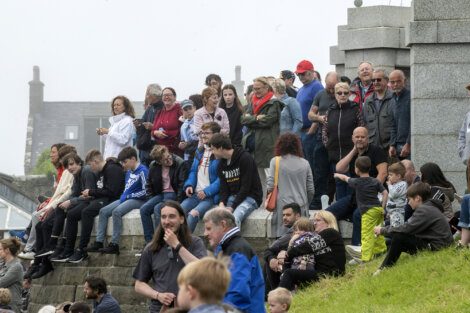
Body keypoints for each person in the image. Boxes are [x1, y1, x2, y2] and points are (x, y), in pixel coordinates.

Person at [52, 149, 125, 263]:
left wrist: (91, 192)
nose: (91, 168)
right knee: (71, 214)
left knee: (87, 212)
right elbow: (96, 190)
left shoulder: (111, 169)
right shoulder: (102, 170)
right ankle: (67, 249)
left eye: (91, 164)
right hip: (101, 198)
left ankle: (82, 249)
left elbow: (112, 192)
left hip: (112, 200)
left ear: (95, 161)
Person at [133, 201, 207, 313]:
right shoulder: (151, 248)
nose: (167, 221)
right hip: (160, 308)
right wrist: (158, 295)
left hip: (190, 308)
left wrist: (177, 246)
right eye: (163, 217)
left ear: (181, 219)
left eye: (171, 216)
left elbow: (203, 271)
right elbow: (138, 285)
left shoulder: (195, 243)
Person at [326, 126, 388, 248]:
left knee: (358, 215)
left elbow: (383, 173)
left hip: (373, 196)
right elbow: (339, 168)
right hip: (355, 196)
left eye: (362, 137)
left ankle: (357, 248)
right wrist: (354, 150)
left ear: (368, 138)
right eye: (357, 137)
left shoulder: (377, 151)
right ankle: (334, 246)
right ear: (352, 138)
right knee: (328, 214)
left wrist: (370, 190)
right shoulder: (352, 152)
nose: (360, 139)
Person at [373, 182, 454, 274]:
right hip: (438, 244)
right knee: (393, 241)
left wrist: (382, 230)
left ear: (417, 198)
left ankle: (383, 268)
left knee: (399, 237)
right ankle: (382, 264)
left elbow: (406, 228)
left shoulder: (424, 210)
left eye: (409, 199)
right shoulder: (429, 207)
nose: (408, 202)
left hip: (436, 247)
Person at [35, 153, 97, 259]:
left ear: (79, 162)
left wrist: (71, 202)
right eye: (67, 166)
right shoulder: (76, 175)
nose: (70, 168)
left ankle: (68, 248)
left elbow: (90, 195)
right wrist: (66, 202)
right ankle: (54, 244)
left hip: (92, 201)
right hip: (81, 200)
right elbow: (74, 192)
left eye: (72, 164)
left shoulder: (86, 171)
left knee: (71, 214)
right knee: (60, 208)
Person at [203, 209, 265, 313]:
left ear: (223, 225)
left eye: (209, 228)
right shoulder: (226, 247)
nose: (205, 233)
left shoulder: (238, 250)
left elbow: (237, 293)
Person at [19, 144, 76, 260]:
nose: (52, 155)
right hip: (58, 203)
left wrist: (51, 205)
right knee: (39, 219)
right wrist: (50, 202)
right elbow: (59, 193)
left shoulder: (68, 172)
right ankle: (37, 251)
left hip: (64, 204)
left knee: (40, 220)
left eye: (54, 153)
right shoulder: (64, 171)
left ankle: (34, 249)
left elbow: (68, 192)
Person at [91, 147, 148, 255]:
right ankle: (99, 242)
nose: (123, 165)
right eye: (122, 162)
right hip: (125, 198)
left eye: (125, 162)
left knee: (116, 212)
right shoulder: (128, 172)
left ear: (133, 159)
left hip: (138, 200)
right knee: (103, 211)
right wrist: (125, 196)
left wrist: (129, 196)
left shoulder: (143, 171)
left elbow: (146, 192)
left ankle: (114, 244)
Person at [335, 156, 387, 263]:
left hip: (368, 212)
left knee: (366, 235)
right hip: (378, 209)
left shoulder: (357, 182)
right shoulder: (375, 181)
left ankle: (365, 258)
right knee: (378, 232)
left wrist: (337, 175)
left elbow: (345, 178)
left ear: (356, 169)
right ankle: (381, 252)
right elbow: (385, 193)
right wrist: (383, 207)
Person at [277, 211, 346, 290]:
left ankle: (277, 299)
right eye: (314, 221)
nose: (314, 223)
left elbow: (306, 247)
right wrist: (286, 256)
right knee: (283, 272)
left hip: (331, 274)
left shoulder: (331, 232)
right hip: (320, 273)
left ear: (328, 222)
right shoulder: (318, 236)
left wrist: (287, 254)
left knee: (289, 274)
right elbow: (300, 252)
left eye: (318, 220)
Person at [209, 134, 263, 228]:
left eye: (213, 149)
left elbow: (246, 187)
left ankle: (234, 242)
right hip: (234, 197)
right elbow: (224, 188)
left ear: (221, 148)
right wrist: (222, 203)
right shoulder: (221, 164)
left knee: (234, 219)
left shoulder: (245, 158)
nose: (212, 152)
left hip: (251, 196)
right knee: (220, 219)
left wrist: (232, 207)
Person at [241, 76, 282, 199]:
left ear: (266, 87)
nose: (255, 91)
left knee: (271, 175)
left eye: (258, 88)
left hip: (268, 143)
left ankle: (274, 201)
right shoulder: (252, 102)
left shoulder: (274, 103)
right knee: (259, 176)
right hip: (255, 144)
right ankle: (264, 201)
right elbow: (243, 119)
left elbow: (268, 121)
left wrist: (251, 119)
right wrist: (257, 118)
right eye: (254, 88)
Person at [322, 82, 364, 200]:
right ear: (335, 94)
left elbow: (361, 128)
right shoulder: (330, 110)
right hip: (334, 154)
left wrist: (357, 148)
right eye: (339, 93)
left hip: (352, 154)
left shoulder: (355, 109)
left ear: (349, 94)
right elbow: (324, 130)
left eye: (346, 93)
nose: (342, 95)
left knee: (351, 183)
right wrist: (328, 145)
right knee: (339, 184)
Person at [266, 133, 314, 237]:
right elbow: (311, 190)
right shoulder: (305, 163)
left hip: (282, 210)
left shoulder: (275, 161)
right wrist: (306, 203)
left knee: (281, 243)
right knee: (302, 240)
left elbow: (270, 186)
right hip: (301, 208)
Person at [181, 122, 221, 232]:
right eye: (202, 133)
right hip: (196, 194)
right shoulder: (199, 151)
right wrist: (189, 185)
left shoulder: (219, 152)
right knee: (178, 211)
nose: (203, 135)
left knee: (193, 215)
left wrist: (207, 191)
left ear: (216, 134)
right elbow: (193, 171)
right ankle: (172, 243)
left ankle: (185, 246)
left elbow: (221, 179)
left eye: (207, 133)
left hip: (210, 196)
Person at [140, 145, 185, 243]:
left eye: (168, 156)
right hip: (160, 194)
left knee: (158, 209)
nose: (169, 160)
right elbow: (148, 184)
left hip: (173, 193)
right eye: (165, 160)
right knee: (144, 209)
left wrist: (178, 201)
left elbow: (182, 184)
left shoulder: (179, 162)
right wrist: (150, 198)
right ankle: (149, 241)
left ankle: (160, 240)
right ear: (159, 162)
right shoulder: (153, 165)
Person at [309, 71, 339, 209]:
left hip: (337, 140)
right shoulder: (320, 94)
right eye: (329, 86)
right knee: (319, 172)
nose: (332, 90)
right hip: (321, 138)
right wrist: (320, 118)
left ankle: (333, 200)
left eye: (334, 87)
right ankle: (317, 201)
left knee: (336, 173)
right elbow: (310, 114)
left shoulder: (341, 94)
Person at [295, 60, 324, 185]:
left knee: (313, 166)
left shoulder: (316, 87)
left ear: (312, 72)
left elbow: (320, 111)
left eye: (303, 74)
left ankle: (315, 197)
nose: (301, 77)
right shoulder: (301, 89)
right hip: (302, 132)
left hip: (311, 132)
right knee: (304, 166)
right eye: (299, 74)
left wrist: (311, 132)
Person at [263, 203, 302, 295]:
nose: (284, 217)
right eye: (283, 215)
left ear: (297, 216)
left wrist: (272, 259)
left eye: (288, 215)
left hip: (295, 269)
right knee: (269, 260)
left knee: (270, 260)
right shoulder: (292, 230)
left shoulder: (295, 232)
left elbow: (270, 249)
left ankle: (269, 296)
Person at [362, 69, 395, 157]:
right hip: (373, 148)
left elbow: (397, 124)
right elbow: (365, 124)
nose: (376, 82)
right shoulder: (368, 101)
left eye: (379, 79)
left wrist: (393, 144)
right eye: (373, 80)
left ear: (386, 81)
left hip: (391, 148)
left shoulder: (394, 98)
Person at [97, 95, 136, 160]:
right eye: (114, 105)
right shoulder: (115, 122)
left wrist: (108, 131)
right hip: (110, 159)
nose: (115, 107)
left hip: (120, 160)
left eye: (118, 105)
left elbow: (123, 140)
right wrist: (103, 134)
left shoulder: (127, 121)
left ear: (125, 107)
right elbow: (111, 140)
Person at [135, 84, 163, 166]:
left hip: (156, 151)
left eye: (148, 94)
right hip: (145, 150)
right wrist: (138, 124)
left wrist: (153, 127)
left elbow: (165, 127)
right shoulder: (150, 108)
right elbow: (143, 121)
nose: (146, 97)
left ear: (155, 95)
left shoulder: (164, 108)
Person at [152, 87, 183, 156]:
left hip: (175, 151)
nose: (166, 97)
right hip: (161, 151)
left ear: (174, 97)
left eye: (169, 95)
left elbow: (183, 130)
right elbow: (153, 130)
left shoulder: (180, 110)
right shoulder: (159, 112)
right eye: (164, 95)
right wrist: (155, 132)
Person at [389, 70, 411, 160]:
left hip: (408, 145)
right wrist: (392, 144)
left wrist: (409, 143)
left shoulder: (411, 97)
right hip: (397, 145)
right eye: (392, 82)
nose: (395, 84)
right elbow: (393, 124)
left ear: (404, 81)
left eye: (398, 81)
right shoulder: (392, 99)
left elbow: (414, 124)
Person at [0, 239, 23, 312]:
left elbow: (1, 282)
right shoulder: (2, 264)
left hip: (11, 307)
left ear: (7, 250)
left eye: (0, 249)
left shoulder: (16, 266)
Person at [385, 162, 408, 227]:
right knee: (392, 229)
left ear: (398, 176)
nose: (388, 177)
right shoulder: (394, 185)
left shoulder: (402, 184)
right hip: (392, 212)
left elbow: (393, 194)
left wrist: (389, 185)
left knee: (396, 229)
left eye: (391, 175)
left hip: (398, 212)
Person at [178, 99, 199, 164]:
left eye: (190, 108)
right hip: (188, 156)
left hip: (199, 153)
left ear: (195, 108)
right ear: (182, 111)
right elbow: (183, 140)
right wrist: (181, 144)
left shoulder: (199, 121)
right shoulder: (183, 126)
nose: (188, 111)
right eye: (185, 110)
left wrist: (188, 144)